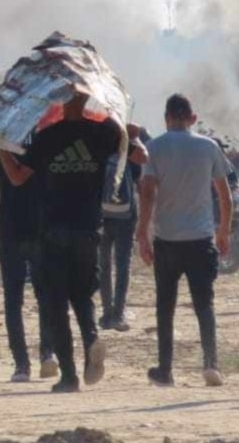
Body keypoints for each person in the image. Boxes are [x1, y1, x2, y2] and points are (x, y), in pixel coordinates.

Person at [0, 91, 148, 392]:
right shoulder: (103, 132)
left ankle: (68, 376)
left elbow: (16, 177)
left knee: (55, 304)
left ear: (60, 102)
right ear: (87, 99)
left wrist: (0, 145)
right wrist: (129, 132)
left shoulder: (47, 136)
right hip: (89, 230)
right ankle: (91, 339)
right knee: (81, 296)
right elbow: (140, 156)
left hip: (53, 231)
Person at [136, 94, 234, 387]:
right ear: (192, 118)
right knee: (204, 304)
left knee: (165, 306)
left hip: (167, 239)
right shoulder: (208, 147)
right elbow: (225, 196)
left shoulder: (153, 148)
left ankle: (165, 370)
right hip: (201, 238)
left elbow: (148, 193)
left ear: (166, 118)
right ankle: (211, 365)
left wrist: (143, 232)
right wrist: (224, 231)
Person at [0, 137, 57, 383]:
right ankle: (42, 355)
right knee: (40, 295)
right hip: (36, 228)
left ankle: (25, 363)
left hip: (19, 229)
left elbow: (1, 184)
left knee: (16, 299)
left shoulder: (31, 141)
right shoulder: (44, 138)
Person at [98, 126, 150, 332]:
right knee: (122, 265)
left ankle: (106, 312)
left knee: (103, 264)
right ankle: (118, 314)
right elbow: (143, 163)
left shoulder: (100, 141)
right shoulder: (129, 145)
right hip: (126, 216)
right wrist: (135, 137)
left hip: (101, 214)